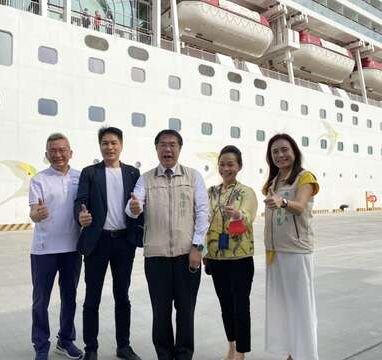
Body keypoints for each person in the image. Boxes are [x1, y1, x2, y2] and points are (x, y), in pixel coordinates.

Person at [126, 129, 209, 360]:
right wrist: (134, 209)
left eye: (172, 145)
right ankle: (164, 355)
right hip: (156, 258)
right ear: (156, 149)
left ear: (180, 148)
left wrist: (197, 247)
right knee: (160, 313)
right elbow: (133, 208)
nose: (167, 149)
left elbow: (203, 213)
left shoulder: (193, 177)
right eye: (163, 145)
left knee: (186, 311)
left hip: (187, 256)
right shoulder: (145, 179)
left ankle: (183, 356)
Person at [74, 127, 142, 360]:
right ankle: (90, 348)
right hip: (97, 243)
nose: (109, 147)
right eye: (105, 143)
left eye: (114, 142)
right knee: (92, 297)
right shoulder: (90, 173)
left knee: (122, 296)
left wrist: (138, 209)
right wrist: (80, 216)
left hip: (124, 242)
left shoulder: (133, 173)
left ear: (121, 145)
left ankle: (123, 345)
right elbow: (80, 201)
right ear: (100, 146)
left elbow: (140, 206)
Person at [263, 133, 320, 360]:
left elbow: (300, 206)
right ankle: (292, 353)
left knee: (302, 308)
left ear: (294, 151)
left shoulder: (305, 178)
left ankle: (306, 355)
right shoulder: (273, 182)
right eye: (275, 152)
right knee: (284, 307)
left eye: (284, 149)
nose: (280, 155)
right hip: (275, 252)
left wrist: (283, 201)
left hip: (296, 251)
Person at [29, 133, 83, 360]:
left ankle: (65, 340)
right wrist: (36, 214)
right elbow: (33, 211)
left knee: (69, 297)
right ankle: (41, 345)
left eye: (62, 150)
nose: (58, 154)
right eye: (53, 150)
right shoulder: (38, 180)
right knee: (41, 300)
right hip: (44, 250)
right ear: (46, 154)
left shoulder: (81, 177)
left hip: (72, 248)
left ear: (70, 153)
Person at [204, 145, 258, 360]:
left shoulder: (246, 192)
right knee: (225, 306)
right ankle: (231, 346)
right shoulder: (211, 192)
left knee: (240, 307)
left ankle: (241, 353)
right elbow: (203, 219)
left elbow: (248, 215)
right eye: (222, 164)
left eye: (231, 164)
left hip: (240, 258)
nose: (226, 168)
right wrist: (204, 252)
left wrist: (238, 214)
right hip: (216, 258)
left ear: (239, 166)